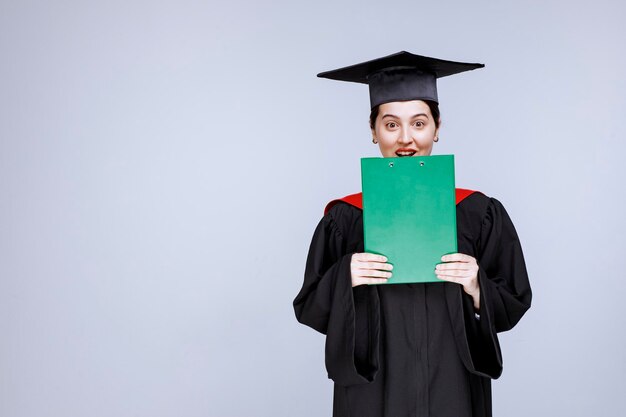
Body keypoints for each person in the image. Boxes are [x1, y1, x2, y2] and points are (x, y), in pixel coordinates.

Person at [293, 51, 532, 417]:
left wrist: (478, 285)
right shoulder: (344, 218)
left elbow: (514, 299)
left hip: (452, 385)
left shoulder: (477, 213)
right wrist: (345, 277)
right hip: (373, 392)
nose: (406, 138)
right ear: (373, 132)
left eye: (419, 123)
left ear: (438, 127)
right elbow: (309, 307)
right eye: (391, 125)